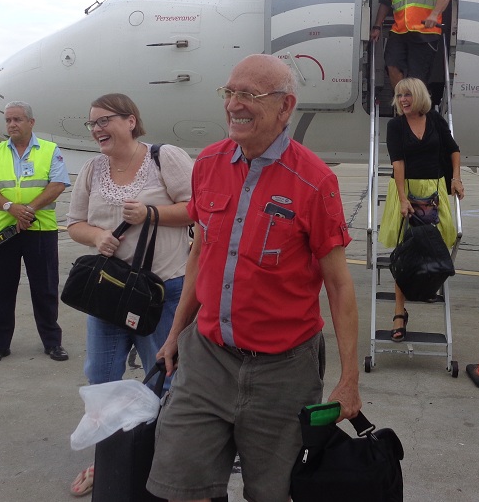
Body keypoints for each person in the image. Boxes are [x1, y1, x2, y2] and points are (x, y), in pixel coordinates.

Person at [146, 54, 362, 502]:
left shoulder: (315, 181)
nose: (234, 105)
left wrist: (350, 379)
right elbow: (199, 255)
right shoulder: (208, 163)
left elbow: (340, 287)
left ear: (285, 107)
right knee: (182, 486)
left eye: (249, 95)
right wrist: (175, 332)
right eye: (229, 92)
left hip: (283, 370)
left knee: (273, 493)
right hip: (207, 357)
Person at [65, 93, 194, 497]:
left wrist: (152, 214)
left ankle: (164, 463)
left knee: (166, 379)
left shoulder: (163, 157)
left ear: (131, 121)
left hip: (163, 291)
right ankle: (109, 463)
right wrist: (98, 235)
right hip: (110, 294)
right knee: (101, 378)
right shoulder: (91, 169)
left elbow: (199, 208)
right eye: (92, 124)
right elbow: (74, 224)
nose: (98, 129)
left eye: (105, 120)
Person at [0, 100, 71, 366]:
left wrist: (28, 210)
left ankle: (52, 342)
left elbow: (58, 184)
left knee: (45, 288)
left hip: (40, 230)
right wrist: (11, 208)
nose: (12, 125)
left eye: (17, 119)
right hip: (4, 231)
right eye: (8, 120)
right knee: (0, 289)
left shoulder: (50, 150)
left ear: (31, 122)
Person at [377, 78, 464, 341]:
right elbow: (398, 163)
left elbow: (453, 150)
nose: (403, 100)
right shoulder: (395, 126)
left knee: (437, 243)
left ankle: (427, 285)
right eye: (399, 95)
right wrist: (403, 199)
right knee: (405, 250)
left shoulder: (435, 119)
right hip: (406, 190)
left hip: (434, 190)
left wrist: (456, 178)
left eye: (408, 95)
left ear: (419, 97)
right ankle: (399, 312)